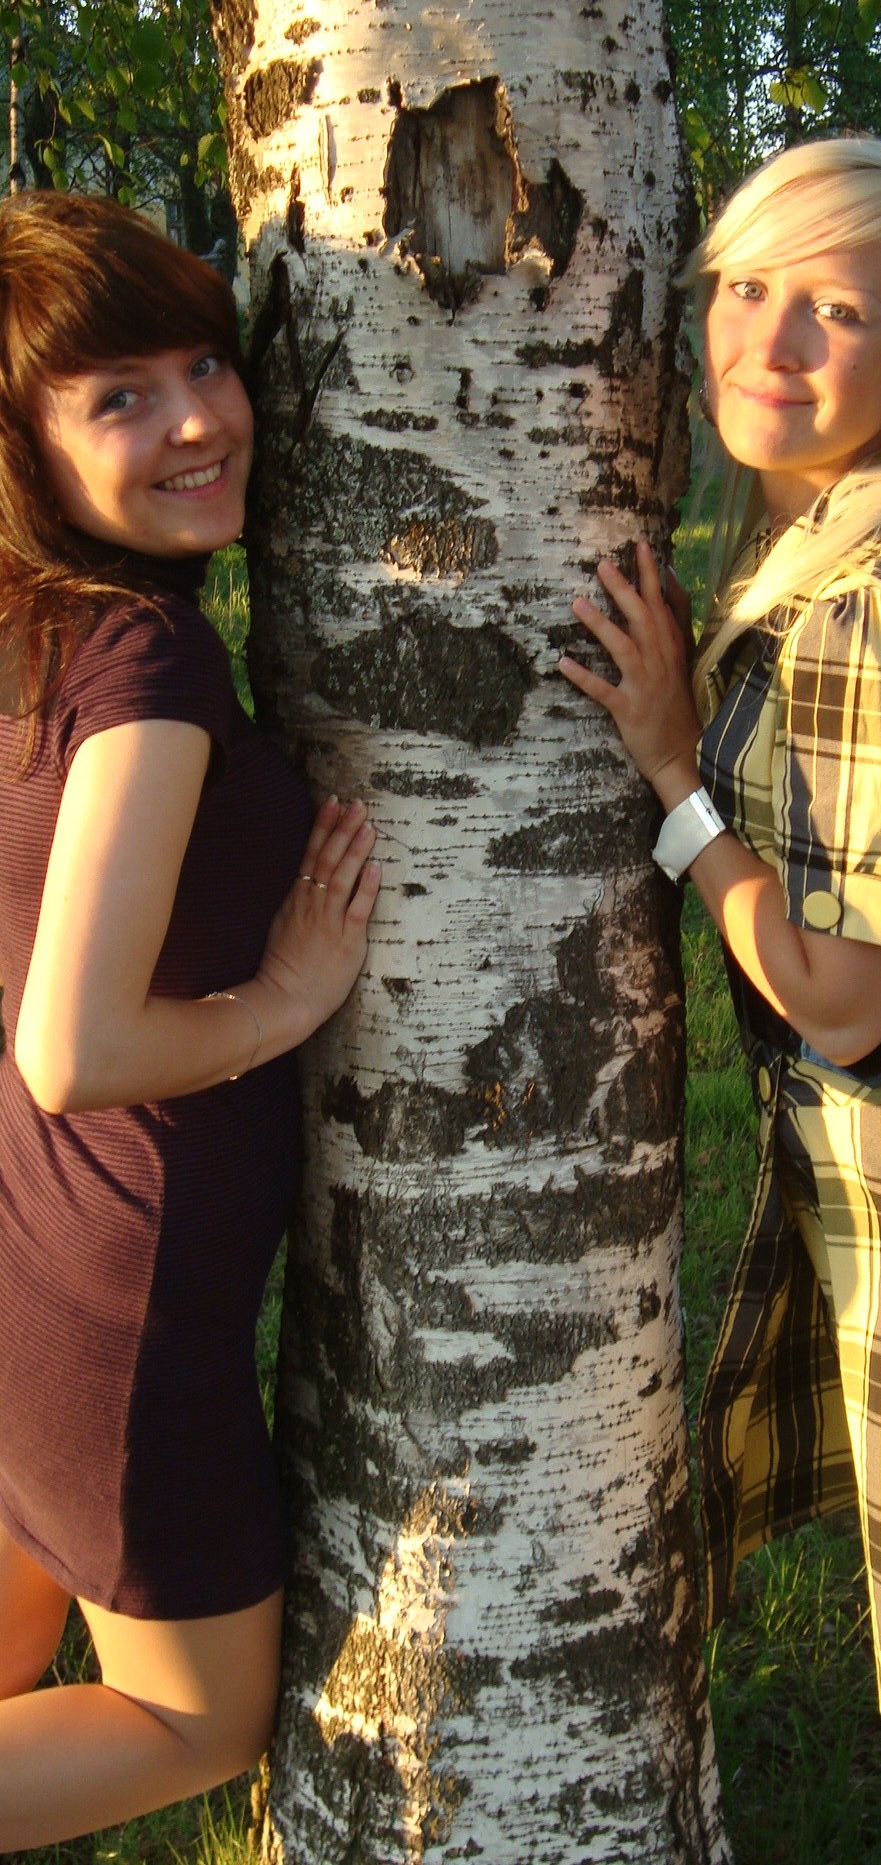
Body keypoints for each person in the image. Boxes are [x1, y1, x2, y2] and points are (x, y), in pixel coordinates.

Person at [559, 136, 881, 1793]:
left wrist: (673, 777)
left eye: (835, 312)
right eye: (746, 286)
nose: (767, 343)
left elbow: (843, 1005)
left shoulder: (870, 614)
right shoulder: (850, 555)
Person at [0, 191, 381, 1848]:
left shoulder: (39, 628)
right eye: (121, 397)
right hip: (118, 1299)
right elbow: (74, 1050)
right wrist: (282, 997)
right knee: (193, 1719)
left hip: (30, 1253)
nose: (200, 420)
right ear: (26, 447)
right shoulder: (147, 660)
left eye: (205, 365)